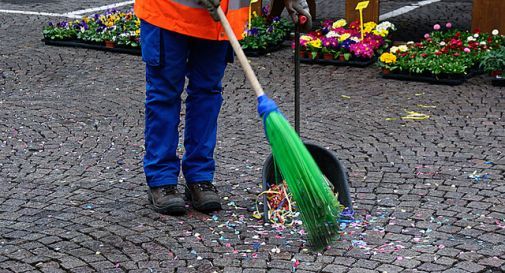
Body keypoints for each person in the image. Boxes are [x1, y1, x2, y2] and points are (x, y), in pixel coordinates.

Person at [134, 0, 312, 215]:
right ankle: (161, 178)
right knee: (164, 95)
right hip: (168, 12)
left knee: (207, 95)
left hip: (219, 20)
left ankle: (200, 176)